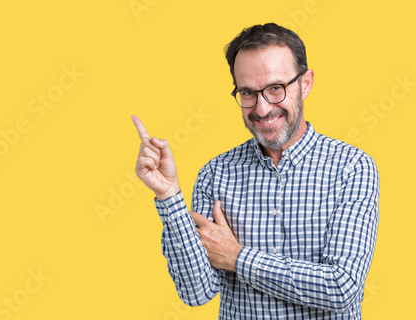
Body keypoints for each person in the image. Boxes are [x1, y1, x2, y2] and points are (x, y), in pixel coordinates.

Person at [131, 23, 379, 319]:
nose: (262, 109)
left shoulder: (351, 167)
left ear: (306, 83)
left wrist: (236, 258)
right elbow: (196, 292)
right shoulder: (216, 173)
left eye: (276, 88)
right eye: (248, 93)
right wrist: (168, 195)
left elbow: (341, 287)